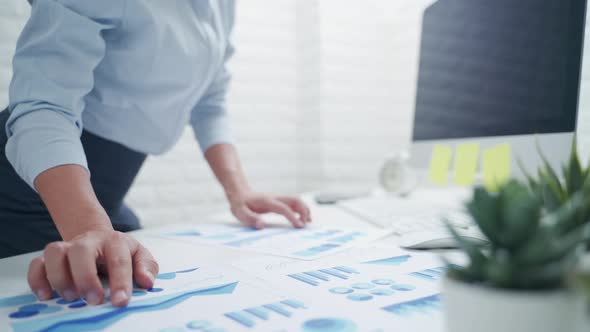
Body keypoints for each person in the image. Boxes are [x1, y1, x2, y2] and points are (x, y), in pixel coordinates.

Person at [0, 0, 311, 307]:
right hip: (24, 192)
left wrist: (240, 190)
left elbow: (209, 102)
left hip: (104, 195)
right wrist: (89, 227)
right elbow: (43, 108)